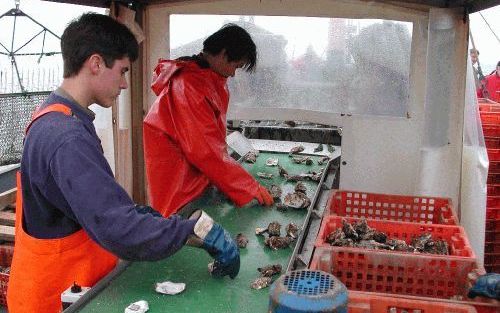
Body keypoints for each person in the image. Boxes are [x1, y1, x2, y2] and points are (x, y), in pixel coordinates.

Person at [7, 13, 239, 313]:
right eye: (122, 71)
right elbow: (115, 226)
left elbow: (101, 203)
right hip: (58, 299)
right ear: (95, 63)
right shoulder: (65, 137)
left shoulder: (58, 115)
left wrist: (167, 224)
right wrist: (189, 231)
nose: (125, 84)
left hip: (67, 285)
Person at [143, 24, 273, 217]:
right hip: (180, 184)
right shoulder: (189, 86)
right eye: (235, 65)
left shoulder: (209, 78)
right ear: (223, 53)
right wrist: (248, 186)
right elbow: (204, 150)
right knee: (181, 234)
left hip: (198, 176)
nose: (233, 73)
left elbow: (209, 138)